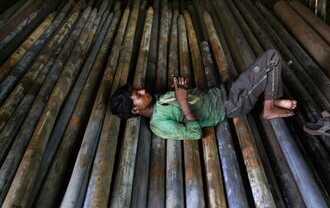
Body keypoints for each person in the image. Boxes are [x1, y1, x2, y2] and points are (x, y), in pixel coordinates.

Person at [110, 49, 297, 140]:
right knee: (272, 57)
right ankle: (269, 108)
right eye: (138, 95)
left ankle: (273, 99)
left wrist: (181, 89)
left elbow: (193, 98)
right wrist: (182, 101)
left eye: (138, 90)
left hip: (223, 90)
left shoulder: (158, 99)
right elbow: (195, 133)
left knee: (261, 69)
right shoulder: (158, 125)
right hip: (230, 103)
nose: (143, 91)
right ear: (135, 110)